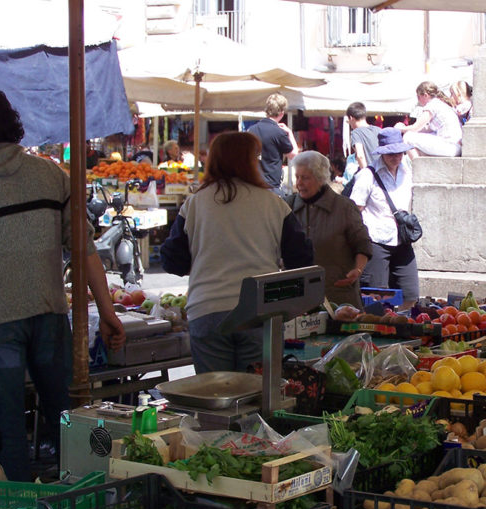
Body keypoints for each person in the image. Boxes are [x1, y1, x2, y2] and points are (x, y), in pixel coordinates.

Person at [0, 88, 126, 482]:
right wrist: (109, 311)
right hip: (49, 313)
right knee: (69, 416)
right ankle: (85, 495)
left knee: (5, 422)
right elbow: (84, 248)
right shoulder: (48, 174)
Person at [160, 131, 312, 373]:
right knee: (257, 399)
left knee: (215, 398)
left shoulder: (195, 204)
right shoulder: (274, 205)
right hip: (259, 313)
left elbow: (172, 261)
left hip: (207, 311)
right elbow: (302, 260)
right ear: (252, 161)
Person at [286, 151, 372, 308]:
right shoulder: (287, 207)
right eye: (297, 177)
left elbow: (362, 243)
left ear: (320, 178)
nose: (299, 183)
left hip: (338, 296)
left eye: (305, 178)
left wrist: (357, 270)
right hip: (297, 298)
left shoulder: (344, 207)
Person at [349, 128, 420, 309]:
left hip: (402, 240)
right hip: (376, 241)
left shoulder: (407, 171)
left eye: (398, 152)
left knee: (410, 294)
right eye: (390, 153)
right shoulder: (367, 175)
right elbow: (354, 211)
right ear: (382, 152)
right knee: (375, 297)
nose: (395, 156)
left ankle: (403, 324)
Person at [247, 93, 299, 196]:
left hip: (253, 184)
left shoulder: (251, 130)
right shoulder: (279, 132)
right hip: (272, 186)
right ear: (282, 113)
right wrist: (290, 133)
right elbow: (294, 154)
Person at [395, 81, 462, 158]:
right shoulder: (440, 104)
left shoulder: (432, 105)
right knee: (416, 143)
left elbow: (416, 128)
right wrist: (405, 128)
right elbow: (426, 129)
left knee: (408, 137)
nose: (418, 100)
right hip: (455, 146)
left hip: (449, 146)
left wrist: (400, 128)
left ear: (425, 95)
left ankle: (417, 167)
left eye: (419, 97)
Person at [345, 101, 381, 170]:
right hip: (384, 174)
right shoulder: (378, 130)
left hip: (371, 175)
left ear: (351, 118)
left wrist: (366, 173)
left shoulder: (356, 133)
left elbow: (360, 156)